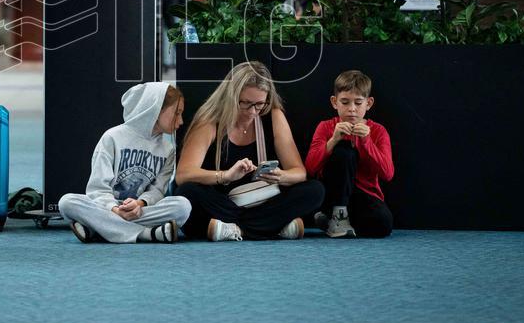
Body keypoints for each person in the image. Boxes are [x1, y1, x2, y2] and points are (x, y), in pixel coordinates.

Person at [175, 61, 325, 241]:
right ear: (231, 95)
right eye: (245, 103)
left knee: (315, 190)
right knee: (187, 192)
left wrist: (281, 176)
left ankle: (234, 229)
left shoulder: (273, 115)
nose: (253, 111)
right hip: (223, 201)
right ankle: (271, 227)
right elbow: (183, 174)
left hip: (263, 201)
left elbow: (299, 173)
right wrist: (225, 176)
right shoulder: (210, 120)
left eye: (260, 104)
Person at [58, 82, 192, 244]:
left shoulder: (168, 149)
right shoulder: (112, 137)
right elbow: (97, 189)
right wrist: (114, 209)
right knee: (67, 202)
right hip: (107, 207)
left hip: (139, 210)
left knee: (183, 206)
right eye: (177, 113)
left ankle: (98, 229)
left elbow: (157, 191)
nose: (181, 121)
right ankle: (146, 234)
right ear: (155, 109)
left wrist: (139, 203)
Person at [305, 70, 394, 238]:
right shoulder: (325, 127)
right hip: (331, 193)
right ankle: (337, 214)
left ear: (368, 103)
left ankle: (332, 222)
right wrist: (333, 140)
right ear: (334, 102)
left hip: (361, 195)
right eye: (345, 102)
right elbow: (310, 168)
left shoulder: (378, 131)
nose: (351, 109)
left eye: (358, 103)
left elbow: (387, 174)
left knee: (383, 223)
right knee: (344, 152)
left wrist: (367, 141)